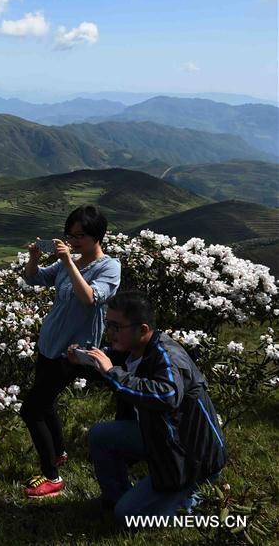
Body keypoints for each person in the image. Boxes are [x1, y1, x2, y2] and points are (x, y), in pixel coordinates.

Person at [71, 291, 227, 526]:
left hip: (191, 457)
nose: (109, 332)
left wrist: (112, 372)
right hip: (162, 437)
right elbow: (117, 367)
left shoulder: (168, 356)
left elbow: (167, 395)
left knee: (129, 518)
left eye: (116, 326)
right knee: (101, 435)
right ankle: (117, 498)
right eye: (108, 324)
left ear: (143, 329)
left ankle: (193, 504)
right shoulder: (133, 350)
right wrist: (85, 359)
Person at [21, 205, 121, 498]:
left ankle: (52, 476)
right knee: (47, 401)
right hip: (49, 343)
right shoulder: (71, 261)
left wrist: (69, 262)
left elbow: (91, 298)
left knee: (31, 410)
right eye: (70, 235)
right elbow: (33, 279)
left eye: (81, 236)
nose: (74, 241)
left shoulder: (108, 267)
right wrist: (34, 259)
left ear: (98, 236)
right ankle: (59, 452)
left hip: (72, 351)